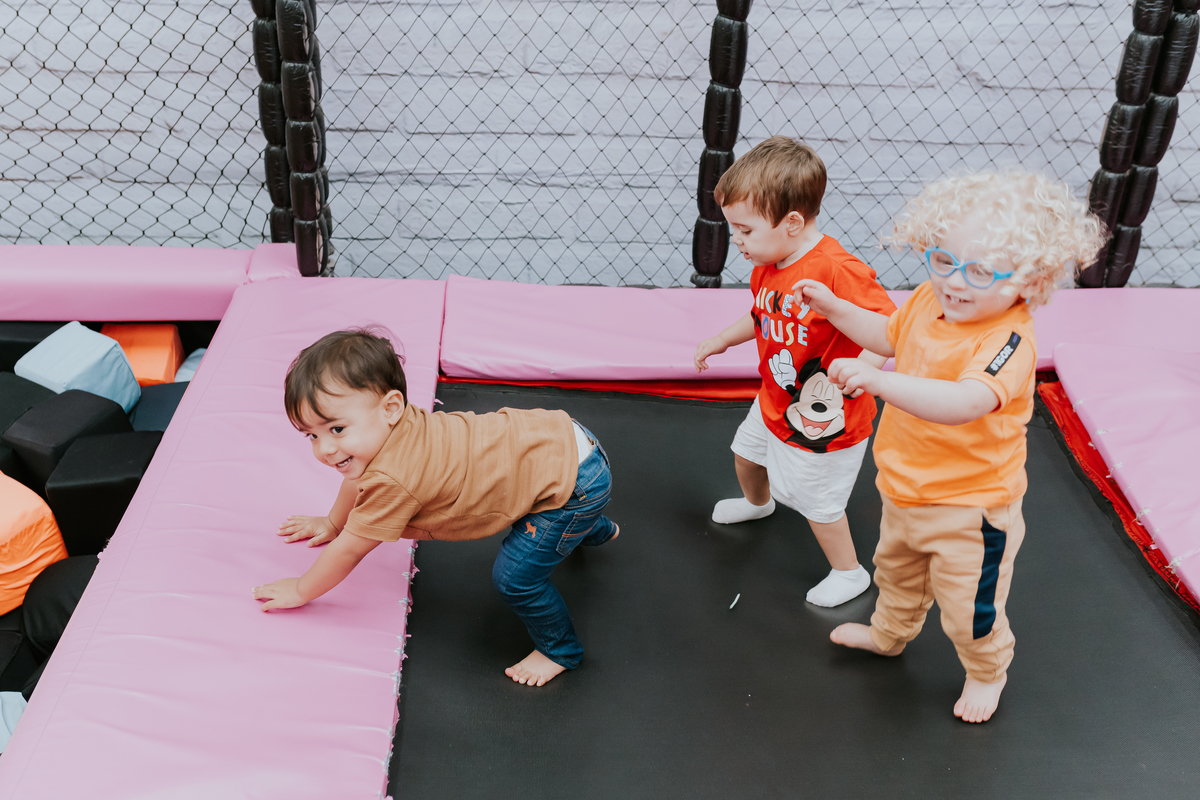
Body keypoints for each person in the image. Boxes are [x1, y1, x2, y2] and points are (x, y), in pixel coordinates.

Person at [794, 169, 1105, 722]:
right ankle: (889, 635)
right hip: (904, 489)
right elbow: (886, 335)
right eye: (943, 260)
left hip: (971, 508)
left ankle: (989, 671)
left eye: (981, 271)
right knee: (896, 574)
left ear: (1030, 282)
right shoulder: (925, 301)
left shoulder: (1005, 341)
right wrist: (836, 308)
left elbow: (964, 402)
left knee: (967, 611)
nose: (956, 281)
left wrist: (880, 382)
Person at [253, 328, 619, 687]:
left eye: (336, 429)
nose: (324, 449)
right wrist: (333, 523)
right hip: (561, 440)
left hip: (575, 484)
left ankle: (560, 651)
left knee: (515, 579)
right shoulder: (394, 426)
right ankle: (592, 526)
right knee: (546, 508)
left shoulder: (394, 479)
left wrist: (302, 589)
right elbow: (355, 482)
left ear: (391, 407)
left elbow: (350, 550)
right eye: (311, 435)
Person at [694, 136, 896, 607]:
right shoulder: (768, 263)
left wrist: (861, 370)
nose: (736, 242)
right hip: (775, 400)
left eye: (744, 231)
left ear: (791, 223)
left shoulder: (836, 269)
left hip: (824, 417)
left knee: (817, 502)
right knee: (746, 454)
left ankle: (849, 573)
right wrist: (723, 339)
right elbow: (761, 313)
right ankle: (758, 504)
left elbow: (889, 331)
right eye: (734, 230)